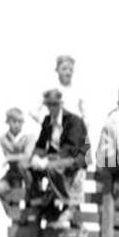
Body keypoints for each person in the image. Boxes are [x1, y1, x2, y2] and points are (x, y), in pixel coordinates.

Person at [30, 89, 89, 226]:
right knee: (28, 166)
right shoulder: (47, 120)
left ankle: (66, 202)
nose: (52, 108)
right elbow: (40, 144)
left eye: (55, 104)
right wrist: (35, 157)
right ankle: (39, 202)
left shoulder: (74, 121)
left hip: (75, 158)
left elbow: (71, 148)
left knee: (52, 167)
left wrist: (48, 159)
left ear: (61, 104)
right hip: (57, 158)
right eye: (49, 105)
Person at [0, 108, 35, 214]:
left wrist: (10, 158)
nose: (17, 125)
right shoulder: (3, 139)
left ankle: (26, 214)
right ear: (8, 122)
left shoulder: (29, 137)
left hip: (27, 174)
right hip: (12, 174)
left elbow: (27, 155)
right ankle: (13, 213)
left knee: (28, 195)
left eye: (20, 122)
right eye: (14, 121)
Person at [31, 54, 87, 130]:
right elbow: (33, 111)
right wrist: (46, 125)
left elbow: (85, 115)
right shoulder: (50, 89)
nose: (68, 73)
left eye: (70, 70)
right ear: (57, 70)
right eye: (64, 69)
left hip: (75, 131)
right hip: (58, 131)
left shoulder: (78, 90)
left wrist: (84, 130)